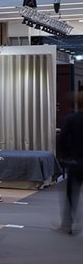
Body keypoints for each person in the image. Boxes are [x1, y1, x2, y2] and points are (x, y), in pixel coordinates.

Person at [56, 94, 83, 234]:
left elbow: (62, 138)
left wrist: (65, 155)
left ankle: (67, 225)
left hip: (76, 161)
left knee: (71, 194)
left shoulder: (71, 118)